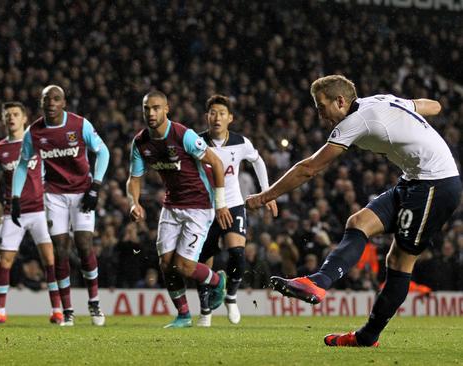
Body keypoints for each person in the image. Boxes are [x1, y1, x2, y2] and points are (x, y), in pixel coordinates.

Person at [246, 75, 461, 347]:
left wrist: (266, 196)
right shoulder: (381, 100)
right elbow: (434, 106)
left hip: (436, 185)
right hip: (413, 179)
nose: (320, 115)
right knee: (358, 221)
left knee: (399, 262)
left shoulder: (355, 121)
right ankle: (318, 282)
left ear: (340, 101)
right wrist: (408, 112)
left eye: (322, 107)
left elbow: (309, 168)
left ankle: (367, 336)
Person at [126, 90, 230, 328]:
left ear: (166, 109)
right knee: (165, 264)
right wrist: (134, 201)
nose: (151, 113)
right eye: (146, 109)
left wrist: (220, 203)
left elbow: (215, 162)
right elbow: (134, 177)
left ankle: (217, 281)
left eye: (155, 108)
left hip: (199, 206)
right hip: (172, 205)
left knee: (183, 266)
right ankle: (183, 316)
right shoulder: (141, 142)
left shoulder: (183, 135)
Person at [12, 85, 110, 326]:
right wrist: (15, 197)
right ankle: (67, 310)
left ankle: (94, 302)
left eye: (56, 99)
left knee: (84, 245)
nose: (51, 103)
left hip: (82, 192)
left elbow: (103, 152)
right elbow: (23, 164)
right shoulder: (33, 132)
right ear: (41, 103)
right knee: (60, 250)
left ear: (64, 103)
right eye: (47, 99)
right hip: (55, 194)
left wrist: (95, 186)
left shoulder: (79, 125)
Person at [196, 95, 277, 327]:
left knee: (237, 253)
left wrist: (267, 192)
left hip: (233, 204)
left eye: (222, 113)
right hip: (204, 210)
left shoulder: (241, 142)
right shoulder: (196, 142)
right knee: (203, 262)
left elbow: (258, 161)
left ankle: (230, 296)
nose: (217, 117)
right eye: (212, 113)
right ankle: (205, 311)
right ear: (206, 117)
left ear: (230, 118)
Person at [0, 102, 61, 325]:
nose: (11, 118)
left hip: (39, 211)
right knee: (4, 261)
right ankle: (0, 312)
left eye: (15, 114)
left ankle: (57, 310)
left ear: (24, 118)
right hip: (11, 213)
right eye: (7, 115)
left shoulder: (37, 143)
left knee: (50, 260)